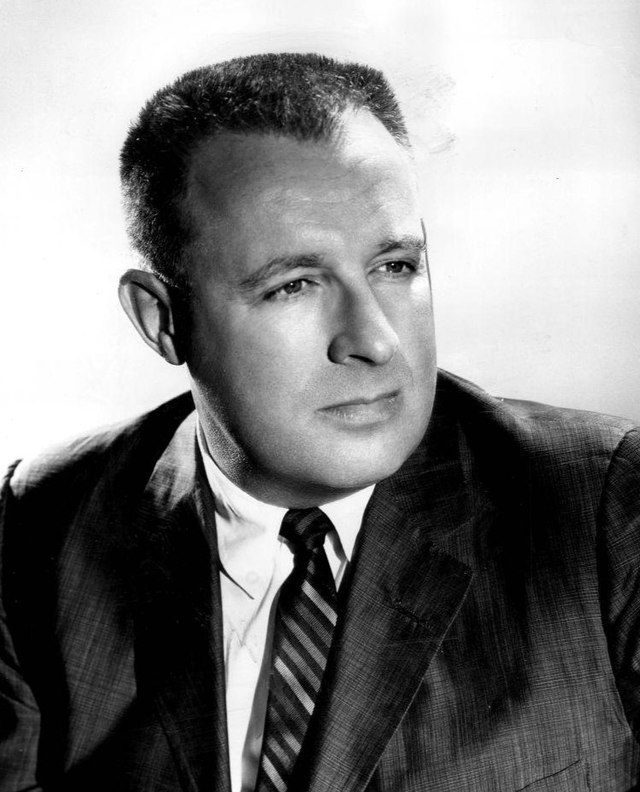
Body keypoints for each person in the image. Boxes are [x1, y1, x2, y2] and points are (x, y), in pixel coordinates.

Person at [1, 52, 639, 792]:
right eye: (295, 285)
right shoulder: (37, 526)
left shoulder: (606, 510)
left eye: (396, 266)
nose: (375, 341)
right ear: (162, 319)